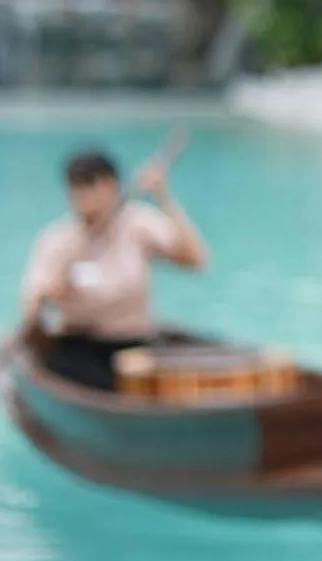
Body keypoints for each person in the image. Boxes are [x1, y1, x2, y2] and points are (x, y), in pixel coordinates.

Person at [19, 147, 210, 390]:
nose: (84, 195)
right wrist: (49, 294)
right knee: (93, 378)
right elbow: (31, 307)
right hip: (80, 346)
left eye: (92, 185)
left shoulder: (138, 224)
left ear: (113, 186)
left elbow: (196, 260)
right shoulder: (58, 239)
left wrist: (164, 197)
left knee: (170, 377)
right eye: (77, 186)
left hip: (136, 345)